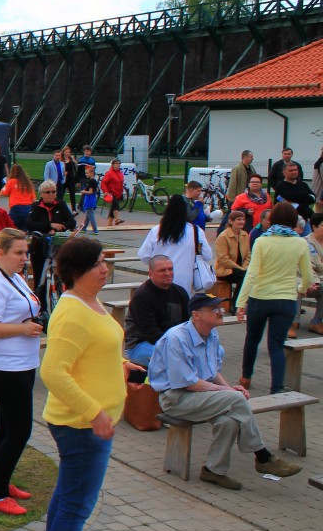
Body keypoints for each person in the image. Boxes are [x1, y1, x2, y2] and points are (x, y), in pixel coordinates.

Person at [39, 236, 139, 531]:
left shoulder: (89, 302)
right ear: (78, 270)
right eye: (98, 263)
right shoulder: (71, 311)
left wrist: (122, 367)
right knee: (77, 506)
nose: (105, 268)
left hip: (90, 421)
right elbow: (52, 371)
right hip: (81, 425)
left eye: (105, 262)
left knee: (67, 494)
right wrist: (94, 412)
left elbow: (99, 350)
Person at [149, 293, 302, 490]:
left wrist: (228, 388)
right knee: (236, 399)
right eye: (214, 309)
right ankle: (263, 456)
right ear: (196, 314)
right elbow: (188, 383)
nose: (221, 312)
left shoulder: (211, 334)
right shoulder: (176, 338)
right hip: (176, 399)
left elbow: (213, 373)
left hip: (198, 394)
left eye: (220, 308)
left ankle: (214, 471)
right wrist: (228, 392)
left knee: (229, 420)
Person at [0, 229, 43, 515]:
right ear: (0, 252)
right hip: (5, 368)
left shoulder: (14, 277)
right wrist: (22, 328)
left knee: (5, 427)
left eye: (26, 252)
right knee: (19, 430)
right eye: (18, 252)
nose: (24, 258)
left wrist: (29, 321)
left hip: (22, 364)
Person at [235, 202, 317, 393]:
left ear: (272, 220)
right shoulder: (300, 242)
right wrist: (300, 288)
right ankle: (276, 388)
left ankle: (246, 377)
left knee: (252, 339)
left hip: (259, 298)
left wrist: (241, 302)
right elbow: (307, 276)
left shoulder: (262, 241)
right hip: (286, 299)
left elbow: (252, 274)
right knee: (276, 346)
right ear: (293, 221)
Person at [122, 256, 189, 366]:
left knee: (210, 352)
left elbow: (185, 325)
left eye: (170, 269)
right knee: (177, 359)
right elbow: (150, 333)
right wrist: (178, 346)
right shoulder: (142, 296)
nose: (168, 273)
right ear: (150, 274)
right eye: (162, 270)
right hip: (141, 344)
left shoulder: (180, 292)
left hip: (172, 342)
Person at [137, 195, 206, 296]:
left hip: (157, 281)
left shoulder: (157, 230)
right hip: (184, 281)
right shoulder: (196, 231)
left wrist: (158, 265)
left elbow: (144, 255)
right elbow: (207, 255)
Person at [25, 180, 75, 303]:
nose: (51, 194)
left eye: (53, 192)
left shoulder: (61, 205)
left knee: (62, 275)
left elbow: (71, 222)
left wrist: (60, 226)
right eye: (47, 192)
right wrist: (49, 226)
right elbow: (30, 224)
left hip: (58, 246)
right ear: (41, 194)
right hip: (39, 247)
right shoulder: (36, 207)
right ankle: (41, 307)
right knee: (39, 278)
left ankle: (63, 300)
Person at [214, 211, 251, 303]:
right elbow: (223, 259)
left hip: (241, 269)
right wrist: (240, 268)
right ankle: (235, 303)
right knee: (245, 276)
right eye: (239, 219)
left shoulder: (245, 235)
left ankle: (242, 302)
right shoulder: (223, 237)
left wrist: (244, 267)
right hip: (225, 270)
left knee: (250, 275)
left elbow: (248, 255)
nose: (242, 221)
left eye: (243, 219)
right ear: (231, 221)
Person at [2, 164, 36, 229]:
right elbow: (33, 199)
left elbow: (3, 193)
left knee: (11, 228)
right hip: (28, 208)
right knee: (25, 229)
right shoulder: (28, 183)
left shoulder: (11, 182)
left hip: (16, 208)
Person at [99, 159, 126, 227]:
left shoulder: (120, 173)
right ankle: (117, 219)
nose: (118, 165)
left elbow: (120, 183)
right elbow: (103, 183)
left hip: (118, 193)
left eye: (119, 163)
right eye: (116, 163)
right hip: (110, 193)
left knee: (113, 208)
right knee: (116, 205)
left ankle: (109, 223)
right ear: (112, 165)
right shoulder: (109, 173)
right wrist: (105, 191)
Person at [78, 163, 100, 234]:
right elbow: (96, 190)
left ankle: (95, 229)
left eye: (87, 173)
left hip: (89, 199)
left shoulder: (91, 181)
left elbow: (90, 192)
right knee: (88, 215)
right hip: (92, 198)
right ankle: (84, 228)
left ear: (92, 173)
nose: (86, 174)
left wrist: (84, 191)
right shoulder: (94, 181)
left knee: (90, 215)